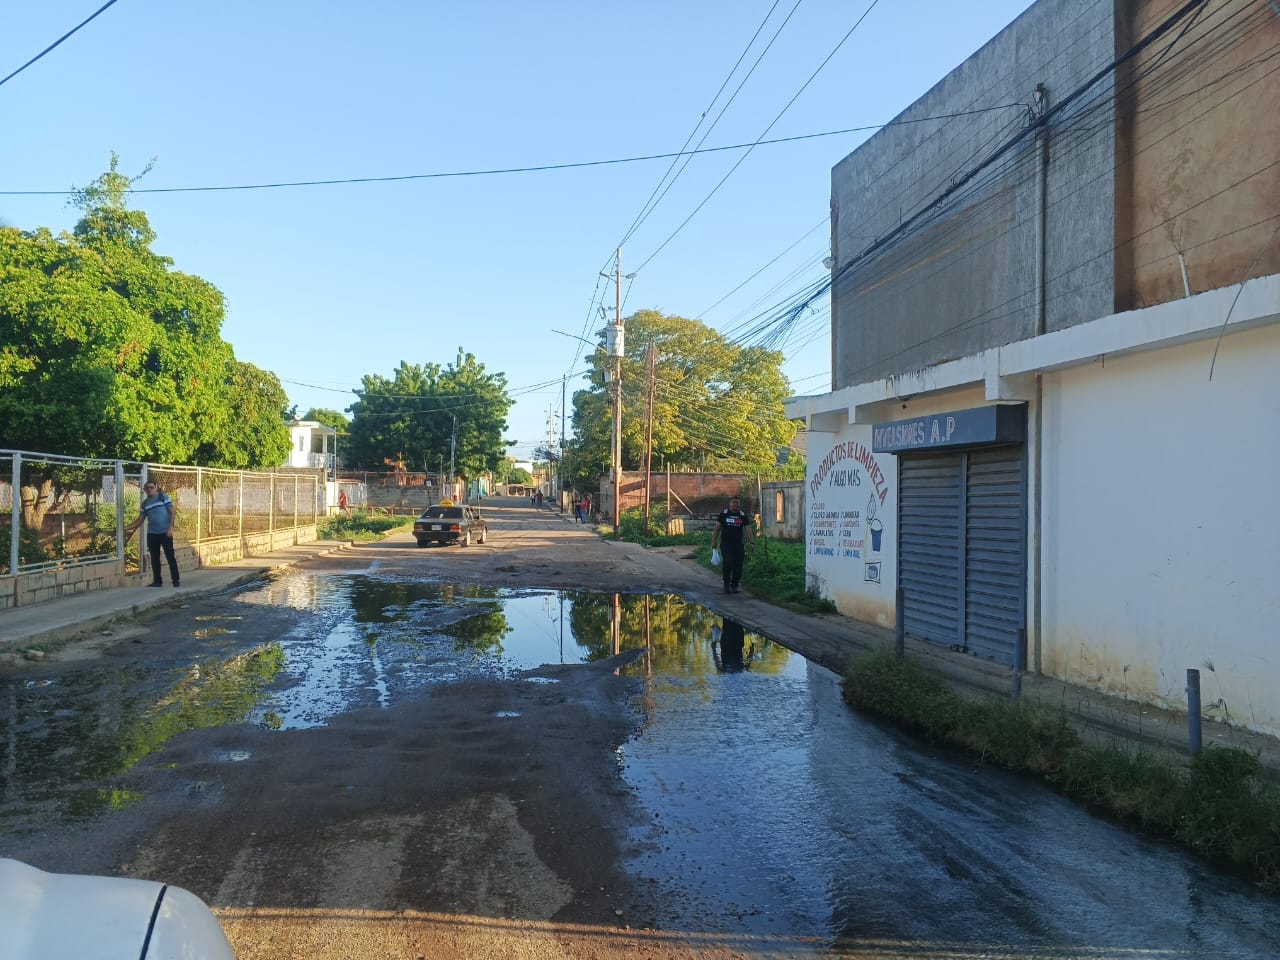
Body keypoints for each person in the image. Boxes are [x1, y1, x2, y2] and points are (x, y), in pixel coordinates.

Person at [129, 480, 180, 588]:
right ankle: (157, 581)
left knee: (170, 557)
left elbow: (172, 511)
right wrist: (127, 528)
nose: (149, 490)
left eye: (151, 487)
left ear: (156, 487)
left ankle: (176, 581)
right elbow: (140, 520)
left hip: (165, 533)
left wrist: (170, 528)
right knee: (154, 558)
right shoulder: (145, 504)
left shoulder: (163, 497)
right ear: (144, 490)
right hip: (152, 534)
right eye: (147, 488)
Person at [710, 495, 755, 594]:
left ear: (739, 504)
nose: (735, 504)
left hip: (738, 545)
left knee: (738, 566)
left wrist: (751, 542)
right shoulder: (724, 514)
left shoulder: (742, 515)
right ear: (730, 504)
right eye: (733, 502)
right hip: (726, 544)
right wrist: (714, 541)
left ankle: (734, 586)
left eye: (737, 503)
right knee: (728, 562)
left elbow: (748, 529)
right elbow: (717, 528)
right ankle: (726, 584)